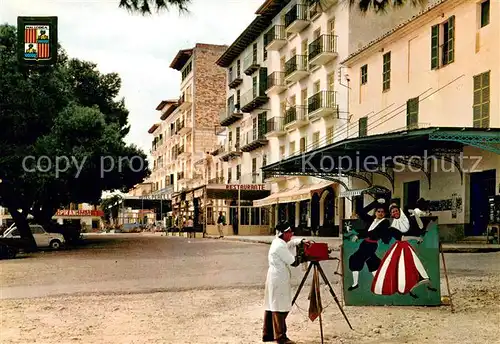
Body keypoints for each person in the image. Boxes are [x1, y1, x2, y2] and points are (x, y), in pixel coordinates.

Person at [371, 202, 437, 298]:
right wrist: (416, 238)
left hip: (406, 247)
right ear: (391, 214)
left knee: (416, 266)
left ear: (399, 210)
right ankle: (409, 288)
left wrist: (415, 213)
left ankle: (427, 285)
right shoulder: (392, 225)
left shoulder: (407, 219)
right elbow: (401, 238)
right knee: (403, 270)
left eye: (396, 211)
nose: (395, 213)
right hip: (400, 248)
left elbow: (421, 226)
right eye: (393, 212)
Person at [262, 223, 310, 344]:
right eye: (289, 232)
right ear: (283, 233)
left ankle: (268, 334)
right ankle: (281, 337)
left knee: (271, 305)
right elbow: (293, 262)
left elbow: (290, 243)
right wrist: (304, 256)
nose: (291, 234)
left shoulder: (277, 242)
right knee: (279, 306)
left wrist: (300, 241)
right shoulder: (280, 247)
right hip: (278, 278)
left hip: (274, 276)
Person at [347, 198, 391, 291]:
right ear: (375, 212)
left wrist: (359, 236)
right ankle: (380, 283)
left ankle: (356, 284)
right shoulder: (371, 220)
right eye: (378, 211)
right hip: (365, 243)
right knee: (372, 262)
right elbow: (361, 212)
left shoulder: (385, 222)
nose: (380, 213)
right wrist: (375, 203)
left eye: (382, 212)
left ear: (385, 213)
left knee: (355, 259)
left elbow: (374, 233)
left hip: (371, 245)